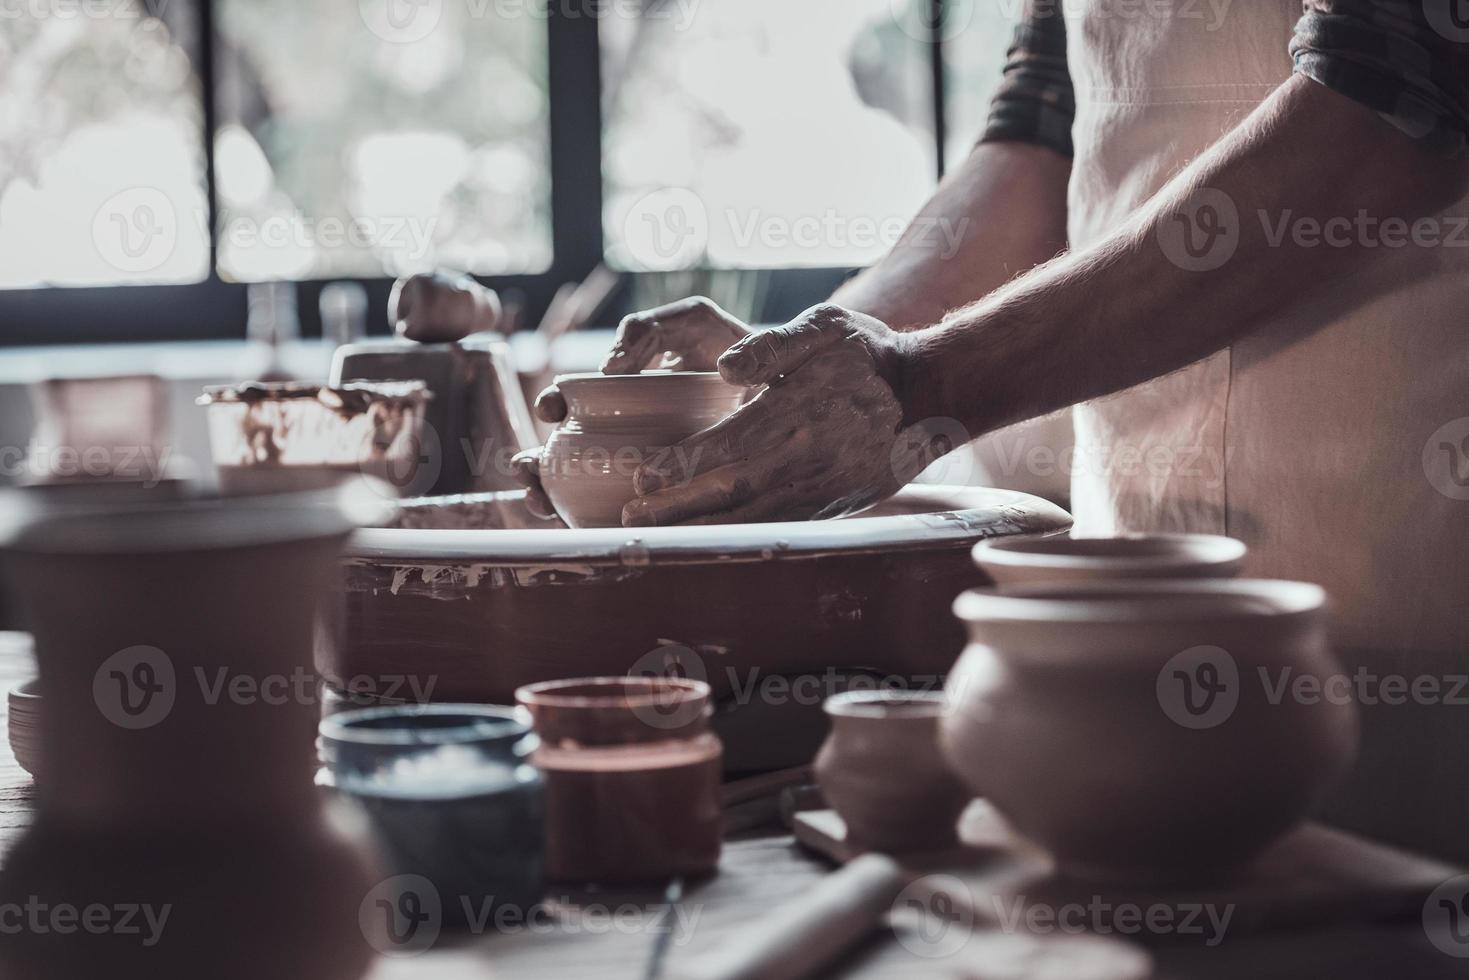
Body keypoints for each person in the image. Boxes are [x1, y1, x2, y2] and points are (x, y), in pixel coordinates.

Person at [396, 2, 1469, 862]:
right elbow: (1034, 140)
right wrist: (785, 370)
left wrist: (927, 380)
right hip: (1135, 549)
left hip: (1391, 539)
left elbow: (1384, 104)